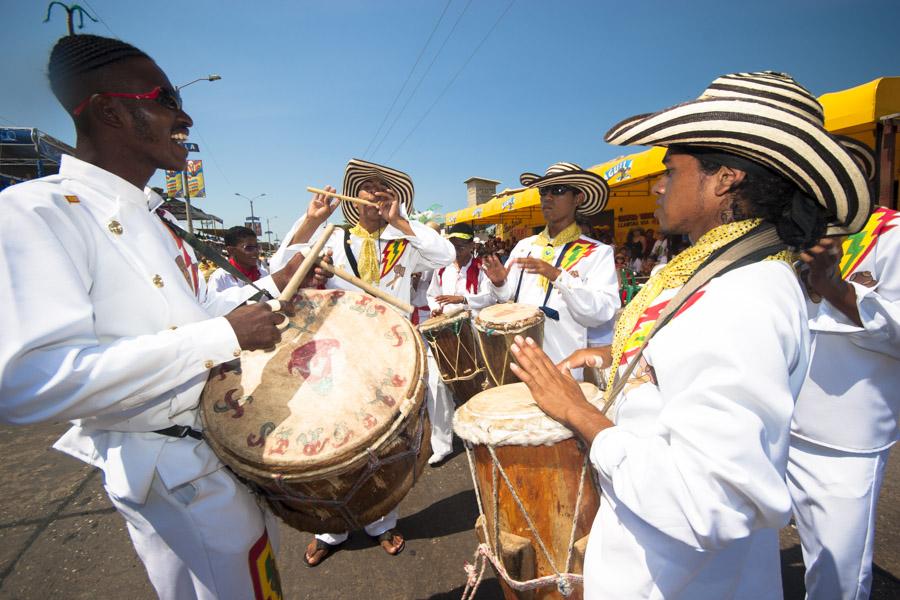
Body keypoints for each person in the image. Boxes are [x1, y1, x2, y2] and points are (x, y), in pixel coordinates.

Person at [508, 71, 872, 599]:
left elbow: (706, 500)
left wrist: (578, 412)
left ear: (725, 179)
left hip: (678, 578)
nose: (658, 185)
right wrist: (614, 357)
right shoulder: (724, 274)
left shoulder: (745, 294)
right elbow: (688, 367)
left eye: (671, 169)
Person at [0, 34, 330, 600]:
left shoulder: (151, 214)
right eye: (166, 99)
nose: (186, 115)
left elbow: (183, 319)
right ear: (110, 111)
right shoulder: (35, 212)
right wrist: (222, 334)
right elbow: (27, 381)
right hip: (172, 467)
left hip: (205, 454)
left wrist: (272, 287)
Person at [270, 157, 455, 566]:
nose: (375, 193)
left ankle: (381, 521)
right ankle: (331, 528)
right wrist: (309, 220)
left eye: (384, 189)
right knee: (335, 440)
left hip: (391, 357)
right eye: (368, 187)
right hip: (336, 355)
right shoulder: (332, 237)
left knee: (385, 443)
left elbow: (446, 256)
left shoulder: (406, 243)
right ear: (353, 196)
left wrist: (403, 222)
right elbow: (278, 267)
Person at [482, 162, 620, 378]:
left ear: (578, 198)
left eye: (557, 190)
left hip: (564, 365)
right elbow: (507, 298)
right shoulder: (525, 246)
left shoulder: (596, 252)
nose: (547, 197)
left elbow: (601, 313)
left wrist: (557, 275)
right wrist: (499, 283)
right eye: (543, 191)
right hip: (518, 362)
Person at [424, 223, 501, 463]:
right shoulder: (441, 270)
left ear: (470, 246)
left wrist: (463, 299)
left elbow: (493, 297)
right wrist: (436, 309)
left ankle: (482, 434)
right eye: (452, 245)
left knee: (479, 384)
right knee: (436, 385)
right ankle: (441, 445)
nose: (456, 249)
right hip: (446, 335)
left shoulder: (482, 269)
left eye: (460, 245)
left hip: (475, 334)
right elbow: (431, 295)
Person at [207, 225, 269, 294]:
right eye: (249, 248)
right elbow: (214, 304)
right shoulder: (220, 278)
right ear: (231, 250)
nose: (256, 251)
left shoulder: (263, 274)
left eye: (257, 247)